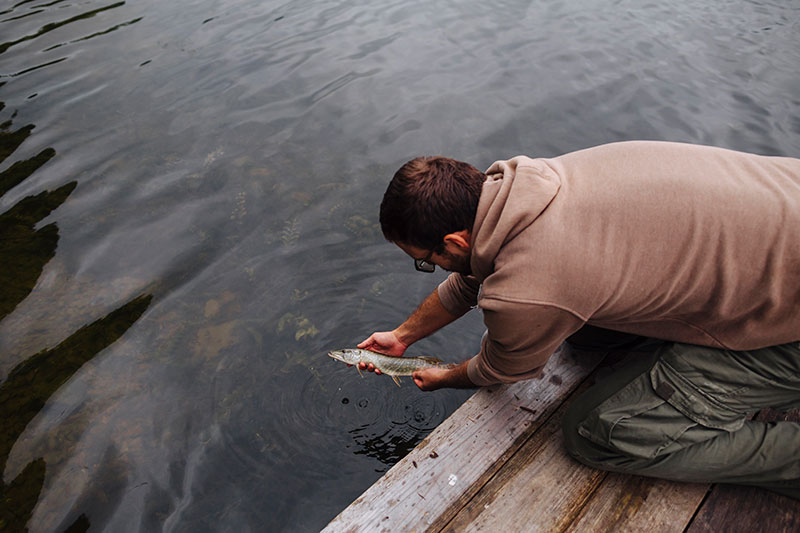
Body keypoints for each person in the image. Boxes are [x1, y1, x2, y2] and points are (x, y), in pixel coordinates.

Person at [358, 140, 800, 499]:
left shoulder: (530, 281)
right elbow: (474, 275)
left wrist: (445, 376)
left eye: (426, 262)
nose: (431, 270)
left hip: (789, 331)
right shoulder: (533, 184)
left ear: (454, 239)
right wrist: (402, 337)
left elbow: (502, 369)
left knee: (595, 432)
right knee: (585, 338)